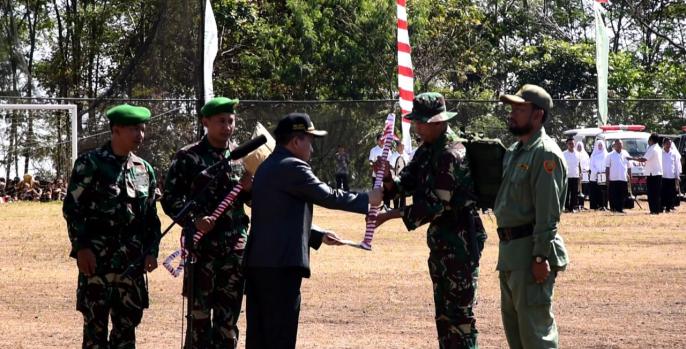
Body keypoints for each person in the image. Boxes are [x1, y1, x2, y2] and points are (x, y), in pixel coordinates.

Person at [244, 112, 382, 349]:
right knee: (280, 337)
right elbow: (328, 195)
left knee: (259, 337)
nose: (312, 149)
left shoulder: (268, 166)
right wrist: (368, 198)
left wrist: (317, 235)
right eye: (309, 141)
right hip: (281, 268)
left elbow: (276, 215)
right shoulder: (293, 166)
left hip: (259, 265)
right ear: (296, 141)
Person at [374, 92, 486, 348]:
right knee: (445, 318)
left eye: (420, 122)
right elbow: (406, 183)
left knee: (460, 318)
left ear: (437, 122)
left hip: (461, 247)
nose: (415, 127)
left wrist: (393, 214)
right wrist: (389, 179)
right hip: (441, 245)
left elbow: (437, 204)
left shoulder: (451, 153)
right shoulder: (427, 150)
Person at [62, 104, 161, 348]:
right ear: (115, 130)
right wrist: (81, 247)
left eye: (142, 129)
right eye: (133, 129)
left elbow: (150, 216)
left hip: (130, 266)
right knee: (95, 333)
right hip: (97, 264)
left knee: (126, 334)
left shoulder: (144, 169)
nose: (140, 134)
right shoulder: (90, 164)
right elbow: (72, 209)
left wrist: (152, 250)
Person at [162, 97, 252, 349]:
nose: (227, 127)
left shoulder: (240, 157)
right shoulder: (188, 157)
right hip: (202, 251)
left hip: (233, 250)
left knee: (228, 323)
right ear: (206, 122)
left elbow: (250, 201)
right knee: (199, 321)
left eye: (231, 121)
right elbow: (170, 198)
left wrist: (250, 188)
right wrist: (194, 220)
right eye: (221, 121)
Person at [494, 84, 569, 349]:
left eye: (519, 109)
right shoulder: (515, 152)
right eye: (512, 108)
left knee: (536, 338)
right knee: (517, 337)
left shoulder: (545, 153)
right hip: (511, 255)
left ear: (537, 115)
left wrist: (540, 256)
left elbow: (548, 212)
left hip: (530, 256)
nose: (512, 113)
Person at [636, 133, 663, 214]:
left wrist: (632, 158)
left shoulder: (652, 148)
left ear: (651, 140)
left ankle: (653, 210)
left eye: (649, 139)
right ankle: (656, 210)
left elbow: (644, 159)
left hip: (652, 174)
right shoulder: (658, 147)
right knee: (656, 193)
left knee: (652, 194)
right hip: (657, 173)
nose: (648, 141)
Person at [605, 139, 633, 213]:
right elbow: (607, 167)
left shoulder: (626, 154)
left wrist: (630, 175)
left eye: (620, 144)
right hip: (613, 179)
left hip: (623, 178)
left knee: (622, 195)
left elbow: (629, 166)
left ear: (622, 145)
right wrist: (607, 178)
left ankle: (620, 209)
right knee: (613, 195)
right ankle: (613, 208)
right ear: (614, 145)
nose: (619, 145)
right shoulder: (610, 155)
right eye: (617, 144)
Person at [388, 141, 411, 208]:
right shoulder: (393, 156)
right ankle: (395, 208)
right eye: (401, 146)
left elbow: (408, 166)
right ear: (397, 147)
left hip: (404, 178)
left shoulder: (406, 156)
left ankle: (403, 208)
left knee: (403, 194)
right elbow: (391, 167)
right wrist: (394, 176)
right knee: (396, 194)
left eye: (403, 146)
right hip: (396, 178)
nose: (402, 147)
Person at [589, 140, 609, 210]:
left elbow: (608, 165)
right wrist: (597, 172)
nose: (600, 146)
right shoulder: (593, 155)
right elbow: (591, 166)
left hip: (604, 176)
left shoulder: (607, 155)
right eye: (599, 145)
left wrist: (603, 172)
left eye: (601, 145)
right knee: (595, 191)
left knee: (604, 191)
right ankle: (595, 206)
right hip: (595, 176)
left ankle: (604, 205)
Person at [562, 138, 580, 212]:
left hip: (575, 176)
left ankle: (572, 208)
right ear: (567, 145)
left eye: (572, 143)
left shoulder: (578, 154)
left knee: (574, 193)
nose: (571, 145)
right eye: (570, 143)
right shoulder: (563, 154)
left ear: (574, 144)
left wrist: (580, 174)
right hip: (567, 176)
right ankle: (566, 207)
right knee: (566, 193)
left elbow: (578, 165)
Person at [661, 138, 679, 212]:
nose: (669, 145)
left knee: (671, 193)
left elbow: (676, 165)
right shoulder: (660, 153)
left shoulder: (673, 153)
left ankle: (669, 208)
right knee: (663, 193)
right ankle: (662, 207)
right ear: (664, 144)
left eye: (670, 144)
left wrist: (677, 176)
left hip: (671, 176)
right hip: (663, 176)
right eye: (667, 143)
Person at [576, 141, 590, 209]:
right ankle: (576, 204)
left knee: (583, 190)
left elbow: (588, 164)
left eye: (580, 146)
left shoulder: (585, 155)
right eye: (578, 146)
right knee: (577, 189)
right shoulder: (575, 154)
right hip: (576, 174)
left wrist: (585, 169)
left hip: (584, 174)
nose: (579, 148)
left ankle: (582, 205)